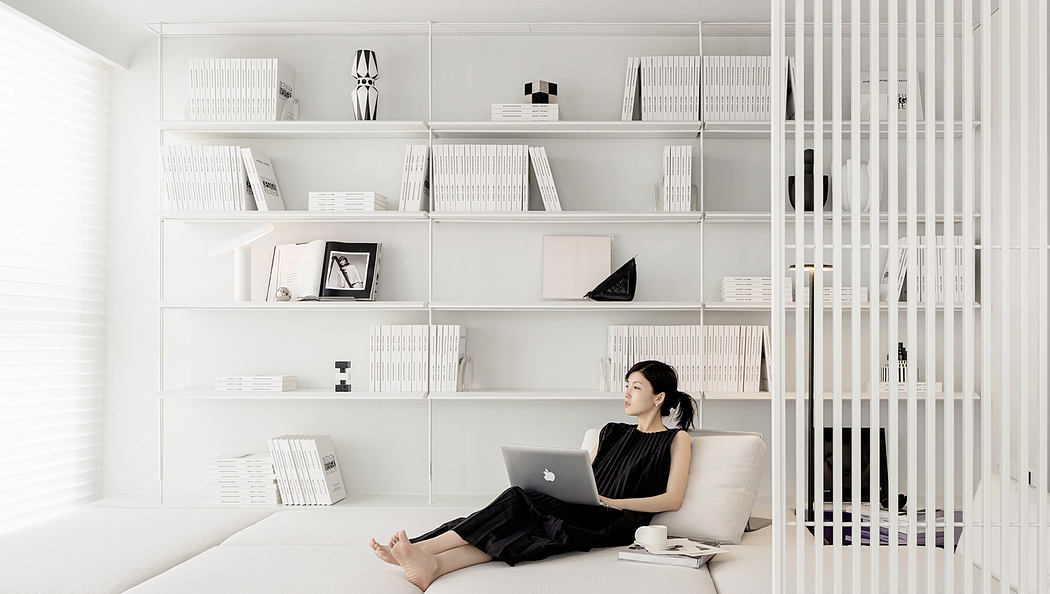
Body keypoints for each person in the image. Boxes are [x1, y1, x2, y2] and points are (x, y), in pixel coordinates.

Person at [369, 359, 697, 591]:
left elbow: (673, 498)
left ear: (659, 397)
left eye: (636, 387)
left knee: (515, 500)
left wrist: (611, 500)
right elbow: (586, 474)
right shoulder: (610, 431)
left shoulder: (676, 439)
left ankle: (421, 546)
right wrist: (573, 489)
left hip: (615, 520)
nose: (626, 393)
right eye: (626, 385)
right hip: (585, 507)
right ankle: (433, 564)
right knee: (516, 525)